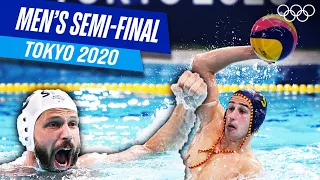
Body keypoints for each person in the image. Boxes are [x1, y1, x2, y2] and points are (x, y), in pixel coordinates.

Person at [0, 73, 207, 174]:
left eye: (72, 124)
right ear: (27, 133)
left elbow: (152, 151)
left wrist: (186, 106)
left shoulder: (86, 166)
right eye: (53, 124)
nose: (67, 134)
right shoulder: (9, 174)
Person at [184, 45, 268, 179]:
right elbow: (201, 64)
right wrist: (252, 52)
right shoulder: (213, 122)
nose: (232, 116)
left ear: (255, 123)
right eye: (231, 108)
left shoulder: (248, 166)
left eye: (242, 111)